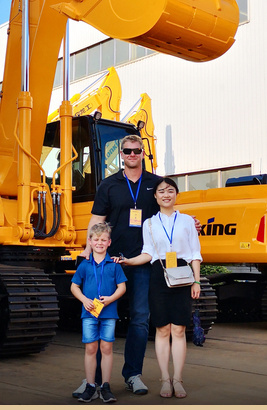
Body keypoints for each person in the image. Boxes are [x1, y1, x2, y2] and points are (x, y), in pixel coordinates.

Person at [75, 135, 160, 396]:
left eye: (136, 150)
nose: (132, 154)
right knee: (99, 316)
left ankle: (133, 375)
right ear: (121, 154)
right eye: (127, 151)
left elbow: (168, 215)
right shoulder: (109, 185)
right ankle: (94, 380)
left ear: (143, 153)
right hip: (110, 263)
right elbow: (97, 219)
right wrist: (88, 250)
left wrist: (191, 223)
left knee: (140, 319)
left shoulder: (156, 183)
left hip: (142, 261)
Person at [119, 177, 202, 399]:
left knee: (179, 330)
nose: (166, 195)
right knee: (163, 329)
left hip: (182, 275)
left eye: (170, 190)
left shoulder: (187, 221)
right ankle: (165, 379)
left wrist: (197, 281)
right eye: (162, 191)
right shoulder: (149, 224)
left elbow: (195, 253)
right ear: (155, 196)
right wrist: (129, 261)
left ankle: (178, 379)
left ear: (176, 195)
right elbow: (148, 253)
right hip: (159, 275)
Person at [71, 222, 127, 403]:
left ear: (109, 242)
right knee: (90, 348)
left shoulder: (114, 265)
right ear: (90, 241)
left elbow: (122, 287)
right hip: (89, 313)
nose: (100, 243)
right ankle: (90, 386)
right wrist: (84, 300)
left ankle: (105, 386)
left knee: (106, 348)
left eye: (103, 240)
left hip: (109, 313)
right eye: (96, 240)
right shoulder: (84, 265)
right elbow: (74, 286)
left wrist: (111, 299)